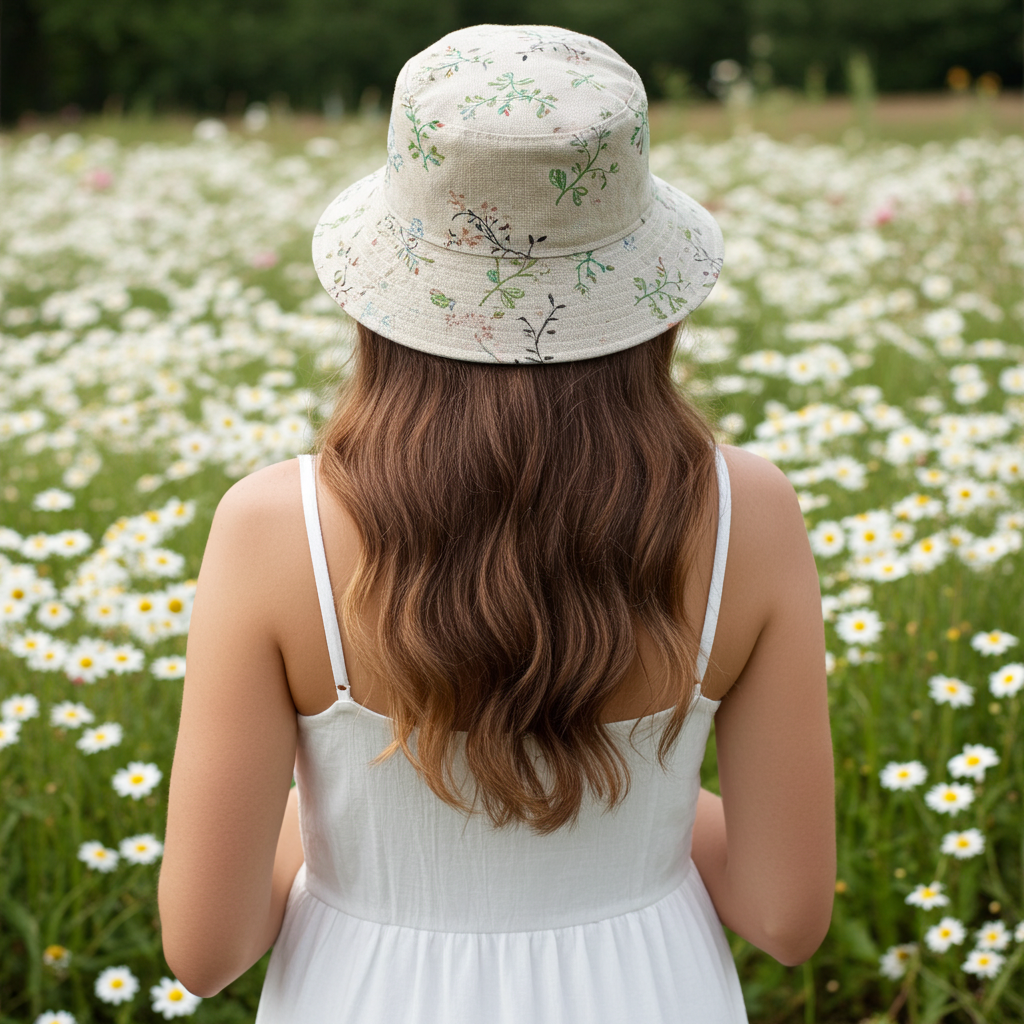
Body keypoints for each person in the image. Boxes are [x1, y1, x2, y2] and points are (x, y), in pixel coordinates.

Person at [158, 23, 835, 1023]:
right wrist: (633, 813)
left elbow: (206, 951)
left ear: (386, 284)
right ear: (643, 284)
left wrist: (339, 815)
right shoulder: (748, 514)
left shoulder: (276, 527)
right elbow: (785, 915)